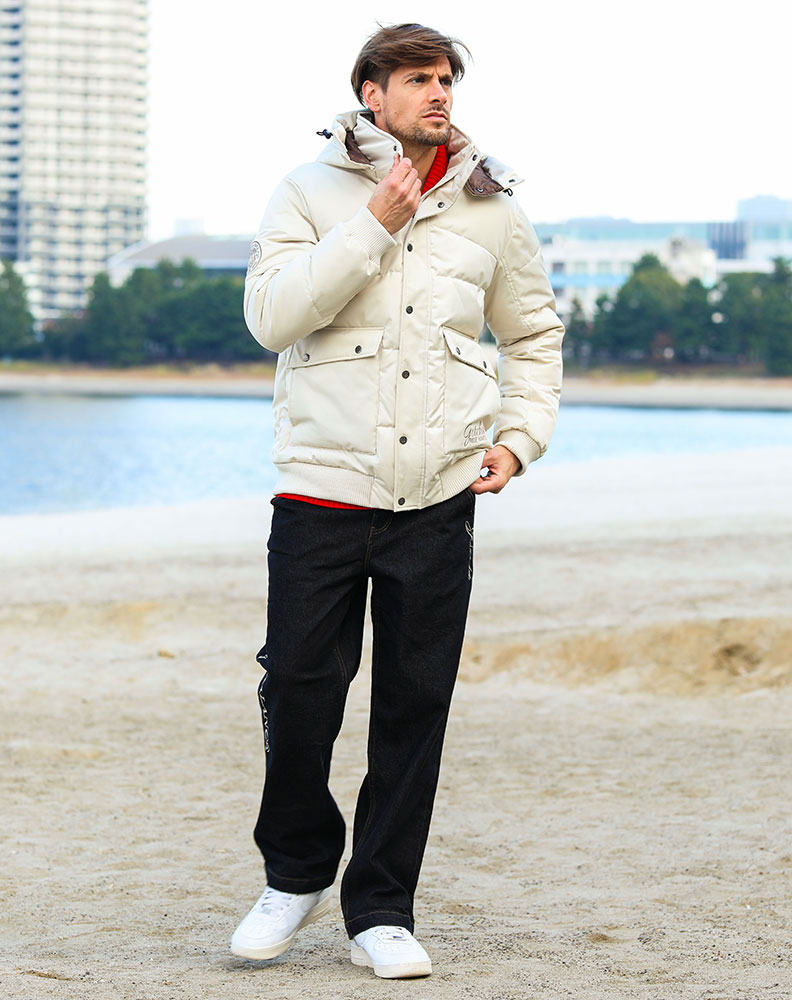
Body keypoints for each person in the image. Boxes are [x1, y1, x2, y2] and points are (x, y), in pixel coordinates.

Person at [231, 22, 564, 980]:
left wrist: (519, 438)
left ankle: (380, 907)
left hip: (440, 495)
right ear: (371, 94)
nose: (439, 92)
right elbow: (271, 318)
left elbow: (532, 336)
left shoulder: (492, 206)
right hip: (322, 491)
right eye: (418, 78)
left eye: (447, 77)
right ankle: (296, 872)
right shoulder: (307, 191)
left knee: (414, 706)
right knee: (300, 689)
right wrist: (374, 221)